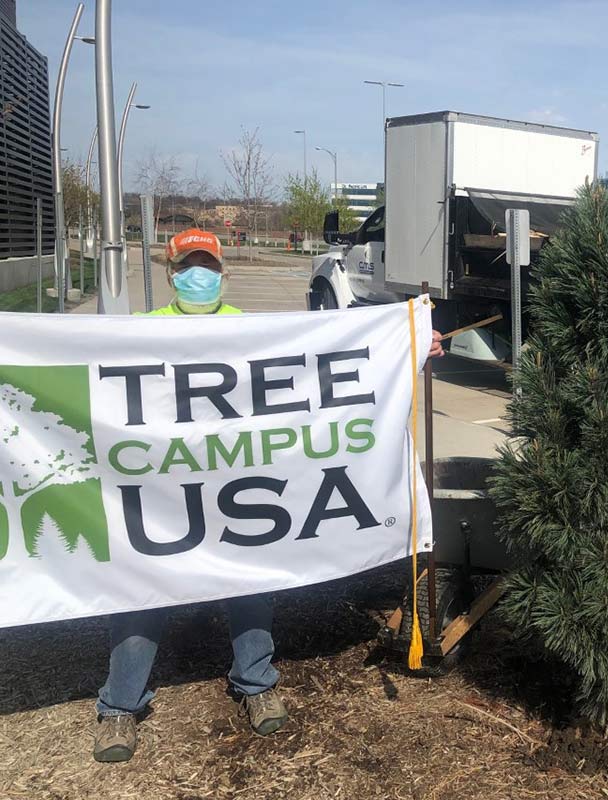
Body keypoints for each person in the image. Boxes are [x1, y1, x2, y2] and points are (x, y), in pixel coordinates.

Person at [93, 229, 446, 761]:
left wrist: (412, 345)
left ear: (222, 272)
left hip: (237, 490)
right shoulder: (139, 333)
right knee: (143, 587)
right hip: (167, 493)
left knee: (254, 577)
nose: (199, 274)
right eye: (188, 265)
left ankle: (255, 683)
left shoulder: (252, 330)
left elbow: (332, 356)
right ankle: (120, 706)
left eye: (207, 264)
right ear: (171, 274)